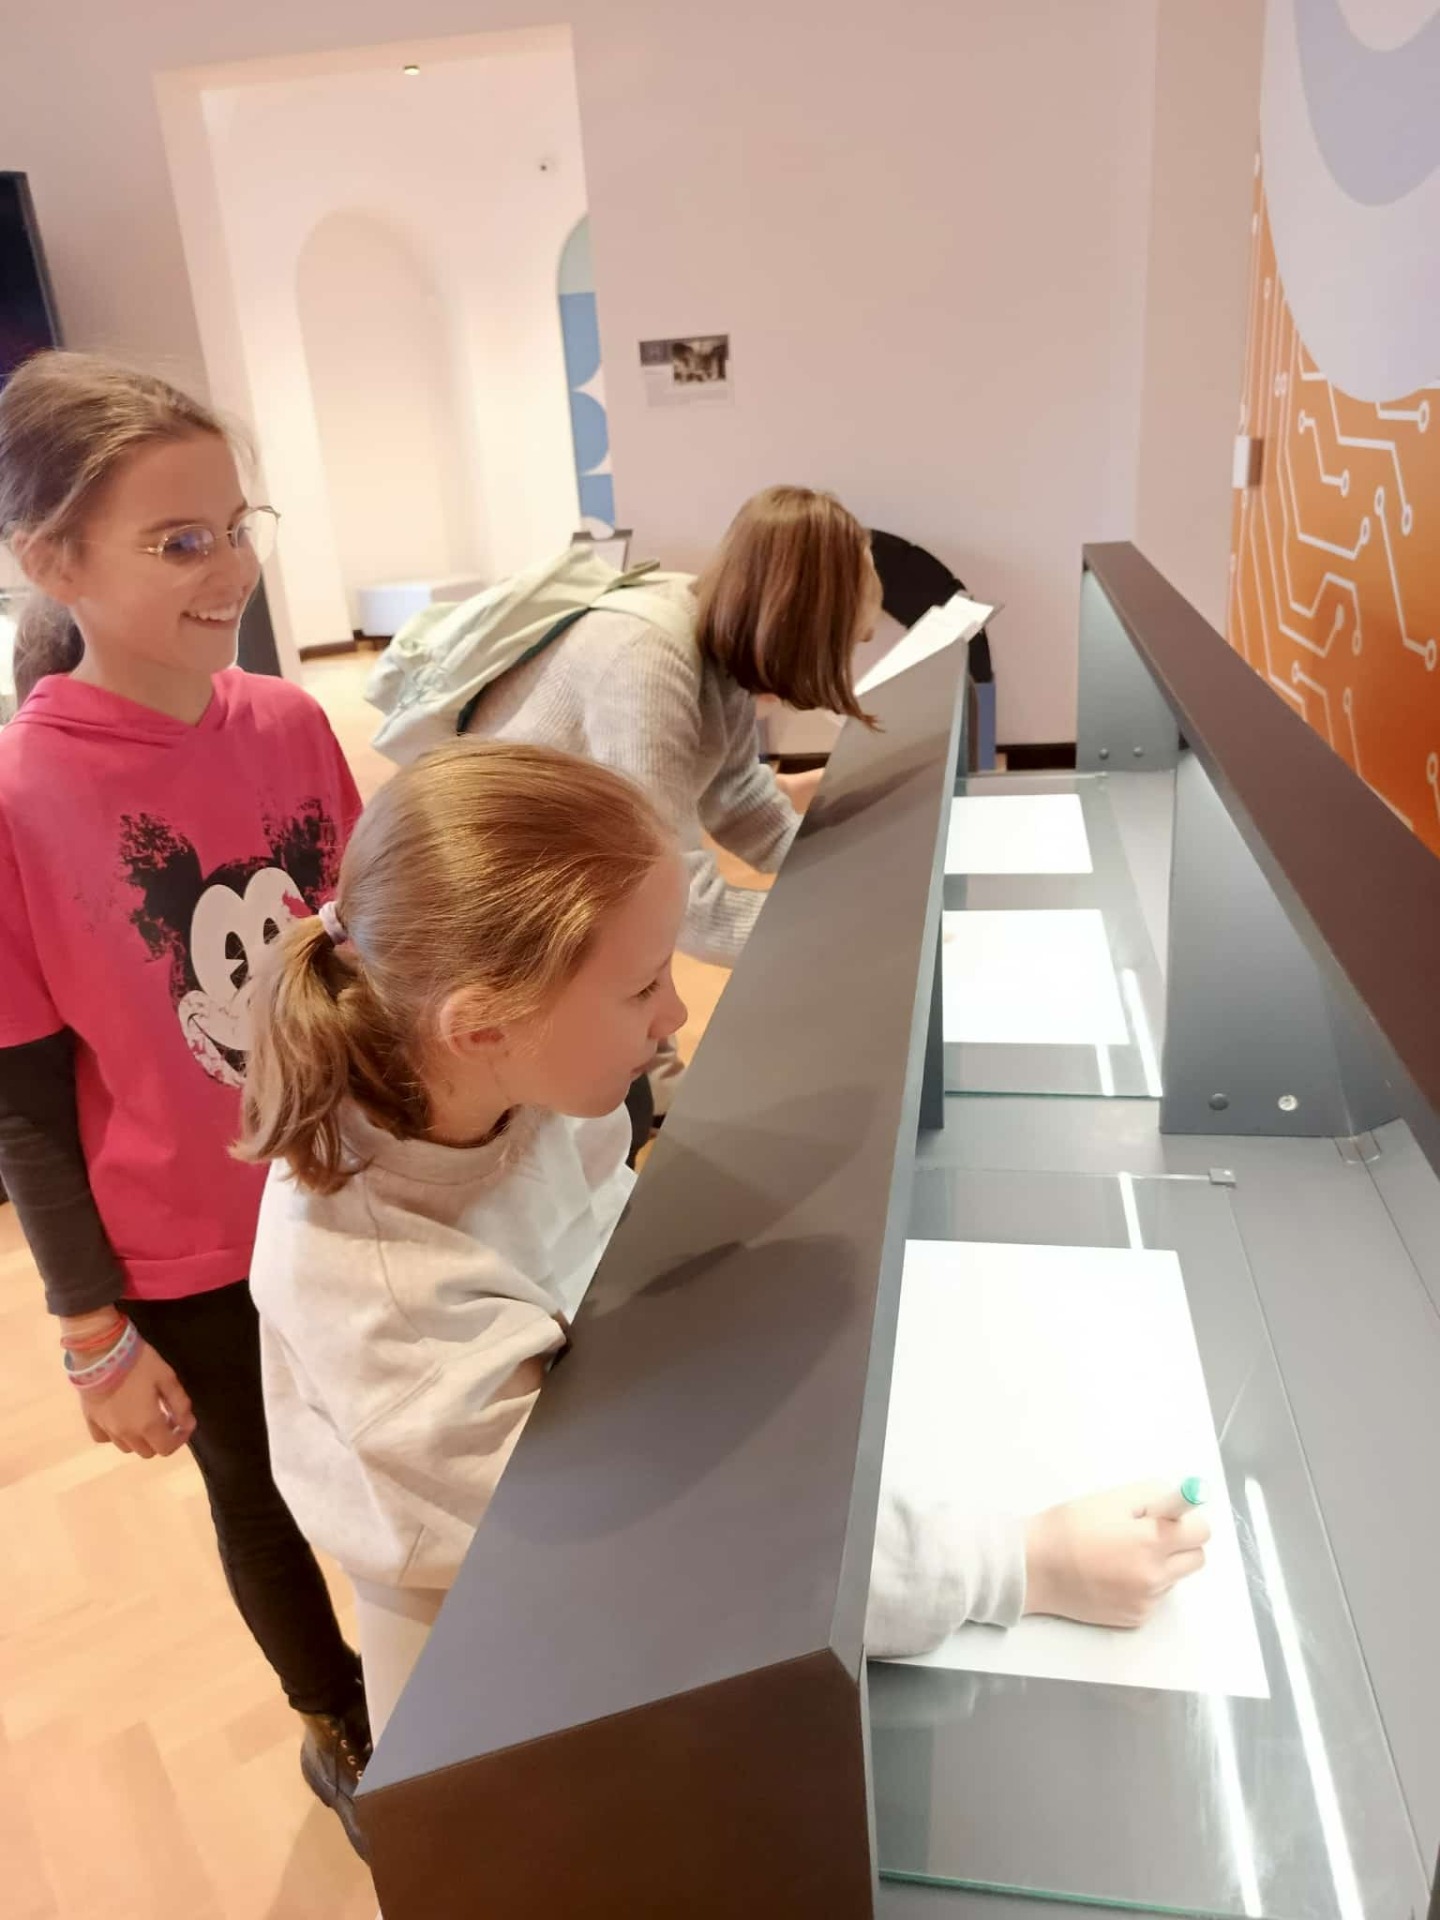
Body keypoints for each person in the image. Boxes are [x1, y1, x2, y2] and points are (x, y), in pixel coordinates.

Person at [240, 740, 1209, 1738]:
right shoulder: (397, 1306)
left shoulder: (496, 1078)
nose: (674, 1014)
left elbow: (597, 1232)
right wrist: (1021, 1564)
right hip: (488, 1606)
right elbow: (683, 1547)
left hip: (574, 1440)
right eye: (641, 988)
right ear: (482, 1026)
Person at [0, 351, 372, 1850]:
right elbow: (24, 1102)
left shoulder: (288, 722)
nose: (231, 570)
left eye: (236, 525)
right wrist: (91, 1332)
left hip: (359, 1182)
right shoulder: (19, 796)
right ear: (53, 564)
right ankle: (339, 1723)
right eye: (177, 542)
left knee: (403, 1447)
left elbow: (371, 952)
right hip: (194, 1254)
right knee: (263, 1493)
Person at [462, 484, 881, 971]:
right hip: (507, 889)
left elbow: (737, 796)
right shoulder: (645, 661)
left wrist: (841, 876)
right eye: (850, 642)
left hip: (570, 866)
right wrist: (839, 924)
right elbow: (668, 891)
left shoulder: (718, 632)